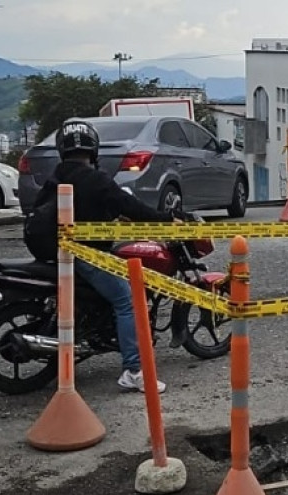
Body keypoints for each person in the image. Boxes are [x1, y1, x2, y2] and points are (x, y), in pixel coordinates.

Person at [42, 118, 180, 393]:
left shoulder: (57, 176)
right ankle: (133, 370)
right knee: (128, 299)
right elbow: (129, 204)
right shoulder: (94, 179)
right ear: (92, 149)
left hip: (57, 251)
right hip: (85, 254)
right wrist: (165, 219)